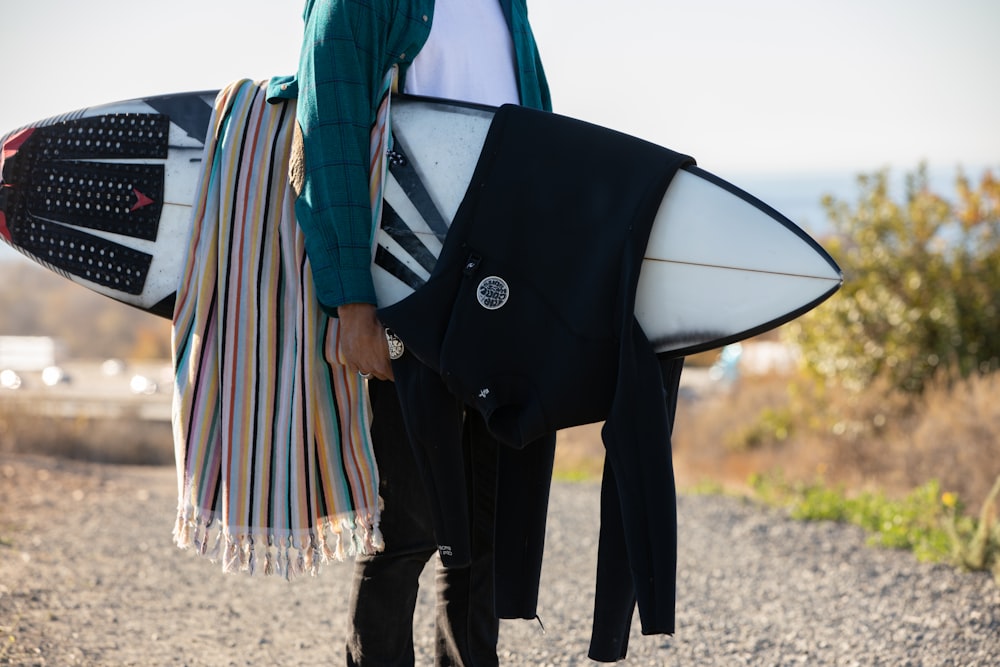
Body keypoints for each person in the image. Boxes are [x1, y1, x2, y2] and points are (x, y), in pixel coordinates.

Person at [285, 1, 552, 664]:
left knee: (484, 534)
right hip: (405, 283)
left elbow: (544, 138)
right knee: (407, 529)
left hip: (502, 285)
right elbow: (330, 139)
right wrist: (352, 302)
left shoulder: (506, 7)